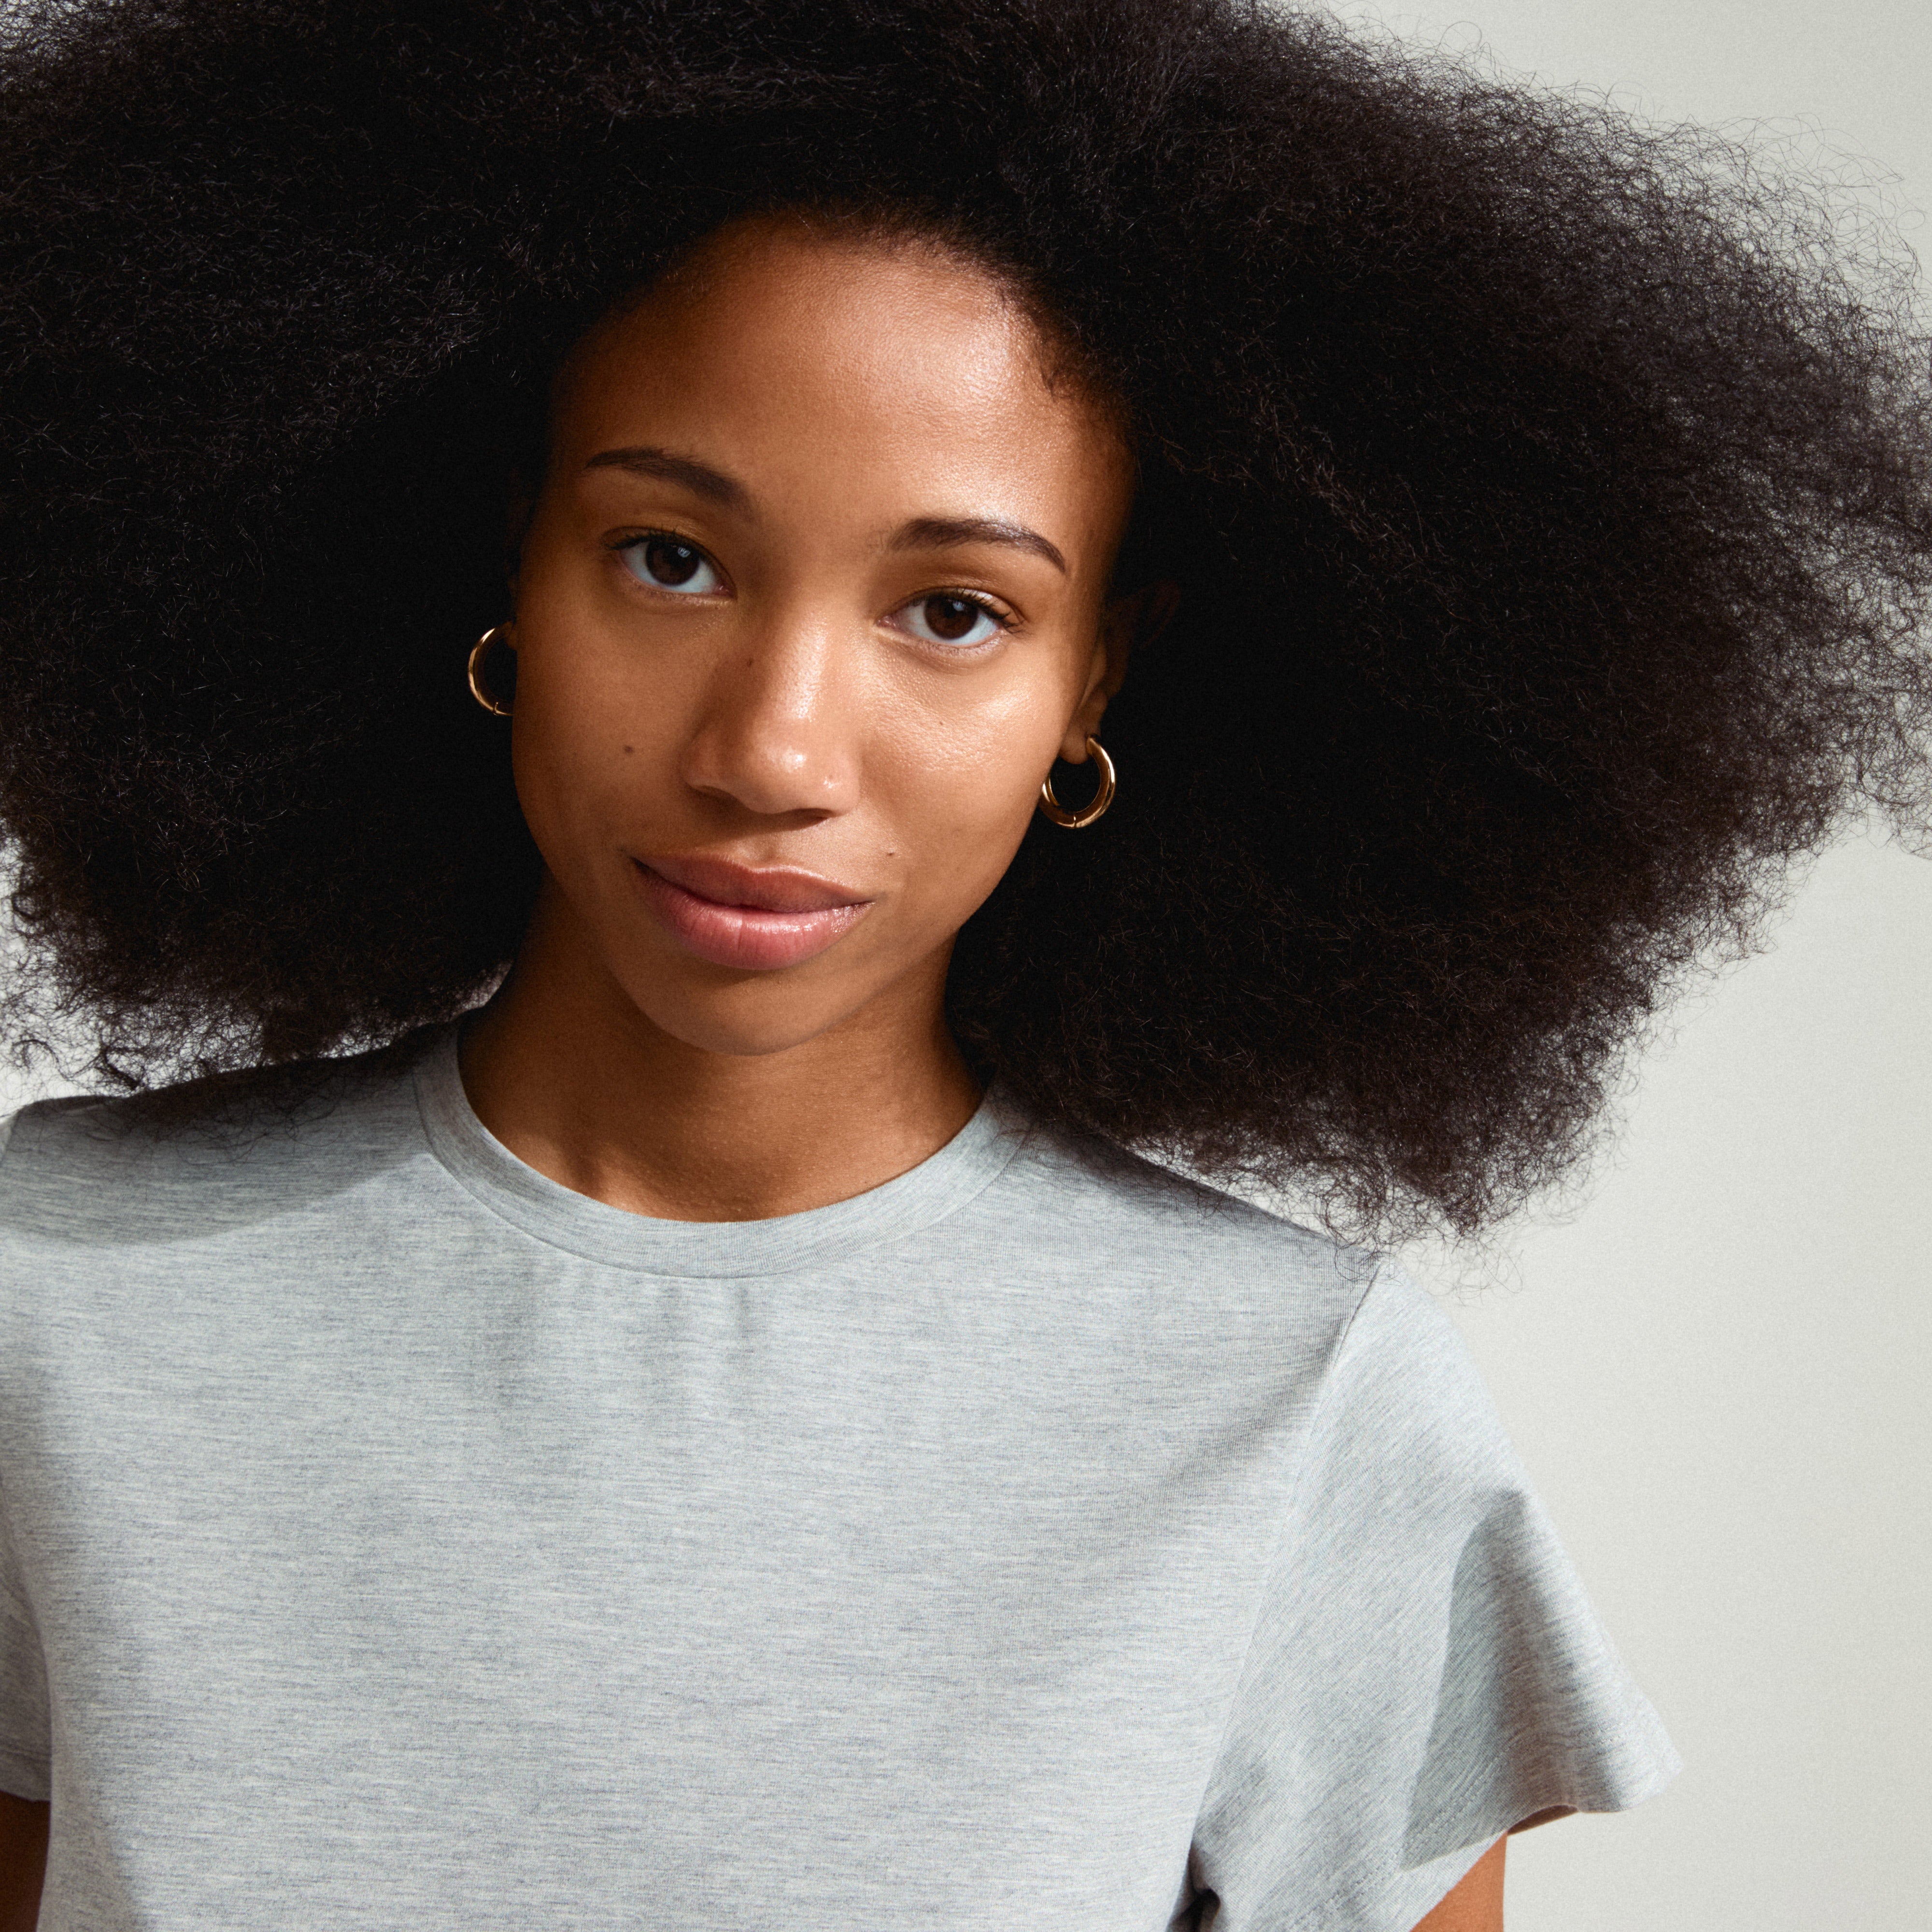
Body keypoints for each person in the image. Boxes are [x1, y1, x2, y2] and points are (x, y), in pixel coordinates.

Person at [1, 0, 1927, 1926]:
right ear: (513, 557)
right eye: (670, 556)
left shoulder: (1289, 1411)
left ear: (1092, 680)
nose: (770, 748)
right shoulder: (60, 1308)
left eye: (950, 608)